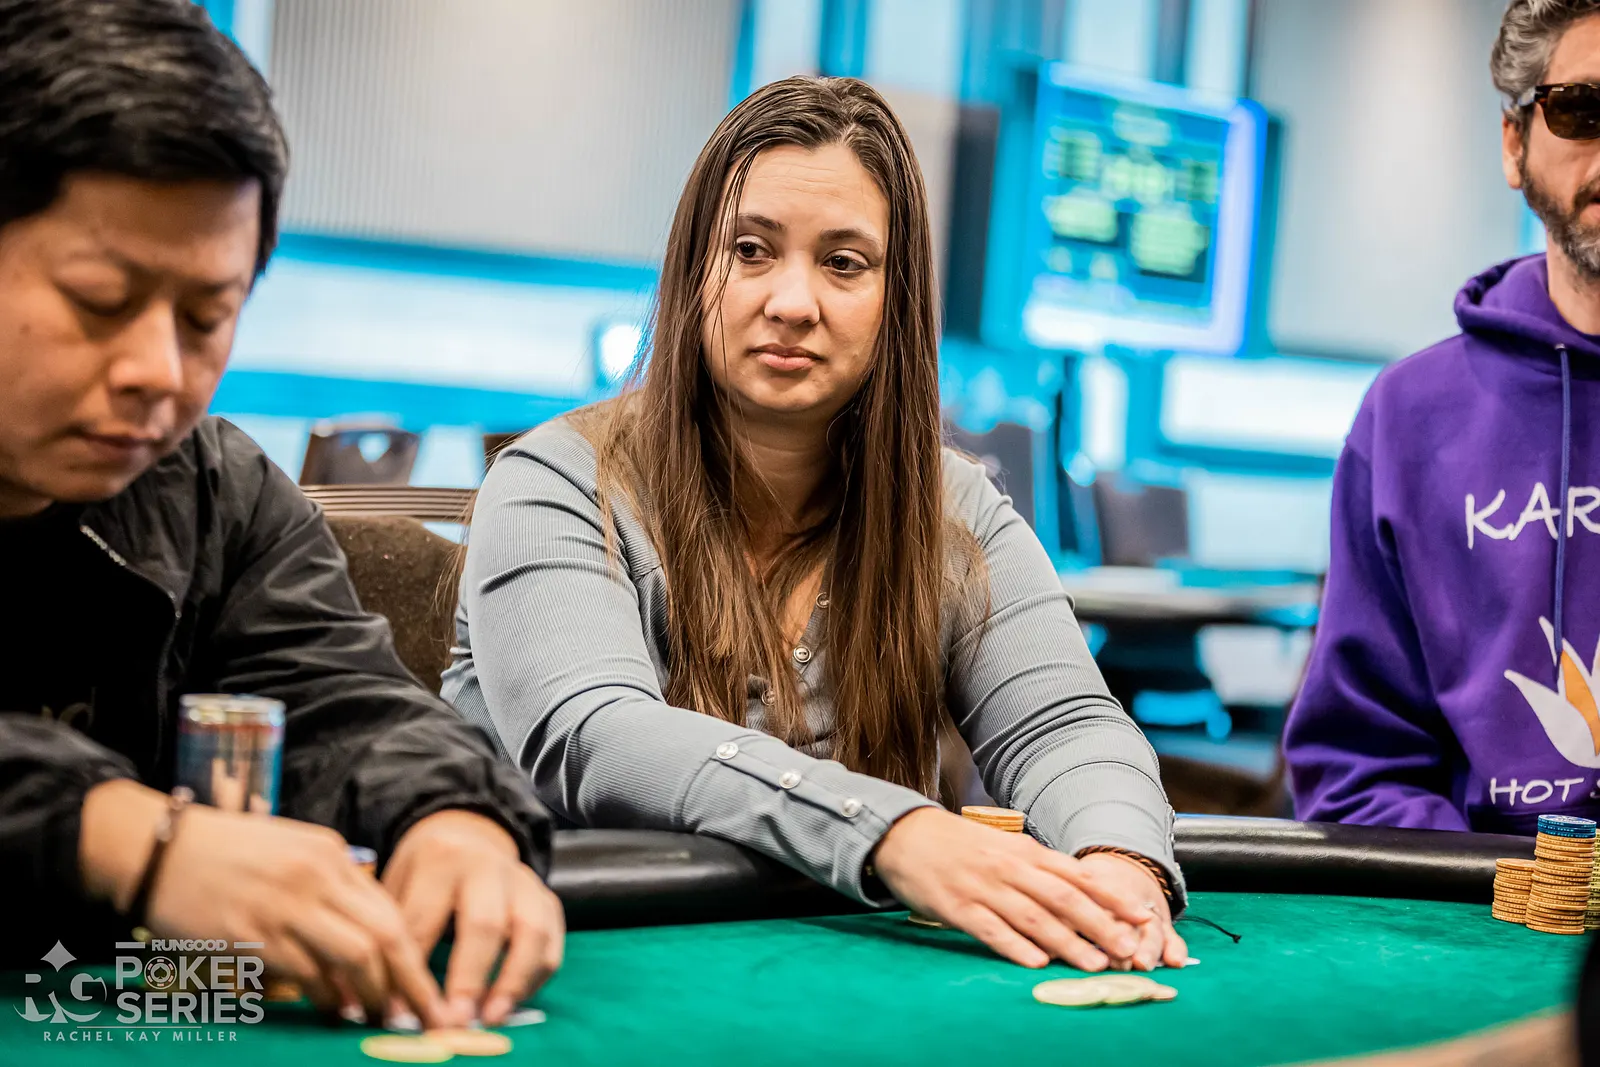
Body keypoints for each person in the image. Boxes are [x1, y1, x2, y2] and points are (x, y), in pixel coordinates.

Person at [445, 75, 1187, 974]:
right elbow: (598, 735)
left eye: (844, 262)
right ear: (693, 271)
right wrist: (897, 833)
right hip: (582, 969)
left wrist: (1118, 859)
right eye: (750, 249)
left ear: (895, 299)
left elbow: (1063, 726)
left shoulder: (955, 510)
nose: (793, 302)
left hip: (849, 980)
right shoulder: (553, 482)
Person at [0, 0, 562, 1029]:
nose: (158, 371)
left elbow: (346, 699)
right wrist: (128, 836)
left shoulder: (218, 490)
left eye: (206, 316)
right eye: (100, 299)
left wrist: (455, 816)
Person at [1285, 0, 1600, 833]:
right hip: (1482, 899)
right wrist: (1501, 896)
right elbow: (1358, 769)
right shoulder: (1409, 417)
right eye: (1582, 110)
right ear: (1514, 144)